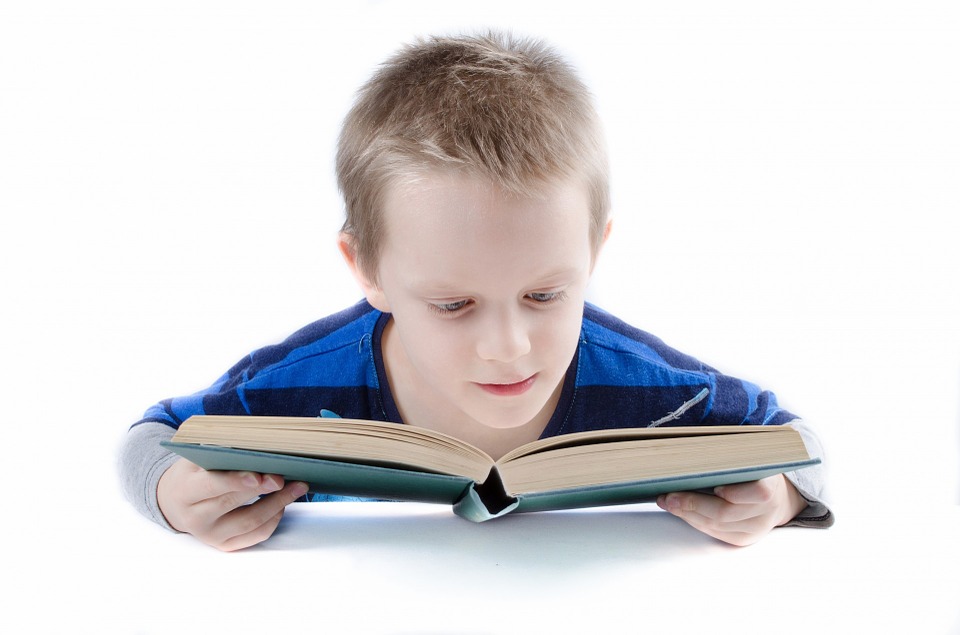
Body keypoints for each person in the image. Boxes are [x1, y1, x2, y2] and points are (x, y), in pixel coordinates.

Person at [119, 31, 833, 551]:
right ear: (365, 267)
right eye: (453, 304)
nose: (508, 347)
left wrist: (780, 498)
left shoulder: (659, 390)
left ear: (593, 251)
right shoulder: (297, 385)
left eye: (547, 295)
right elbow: (153, 434)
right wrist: (171, 494)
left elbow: (796, 443)